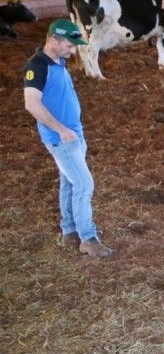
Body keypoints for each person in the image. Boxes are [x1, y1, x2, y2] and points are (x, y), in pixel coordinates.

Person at [22, 19, 112, 257]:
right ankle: (88, 238)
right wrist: (61, 129)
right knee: (84, 184)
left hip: (72, 133)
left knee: (69, 182)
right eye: (70, 46)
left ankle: (69, 230)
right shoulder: (37, 66)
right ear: (54, 39)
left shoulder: (57, 62)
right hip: (61, 138)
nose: (73, 52)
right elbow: (31, 104)